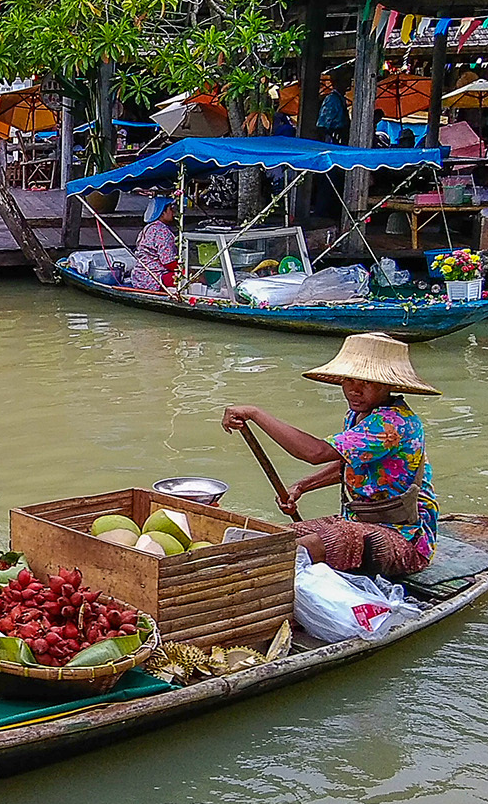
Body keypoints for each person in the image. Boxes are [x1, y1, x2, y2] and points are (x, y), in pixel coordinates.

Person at [220, 332, 438, 578]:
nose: (354, 390)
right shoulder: (358, 416)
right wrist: (302, 486)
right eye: (349, 380)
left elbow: (315, 452)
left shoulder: (392, 423)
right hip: (356, 520)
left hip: (404, 538)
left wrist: (255, 413)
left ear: (388, 385)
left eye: (366, 383)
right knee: (280, 535)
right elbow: (349, 463)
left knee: (332, 541)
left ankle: (255, 577)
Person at [127, 196, 178, 291]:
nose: (173, 212)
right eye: (170, 209)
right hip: (154, 278)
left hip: (139, 276)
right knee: (191, 278)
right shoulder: (162, 231)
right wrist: (187, 270)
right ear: (162, 213)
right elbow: (168, 262)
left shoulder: (148, 228)